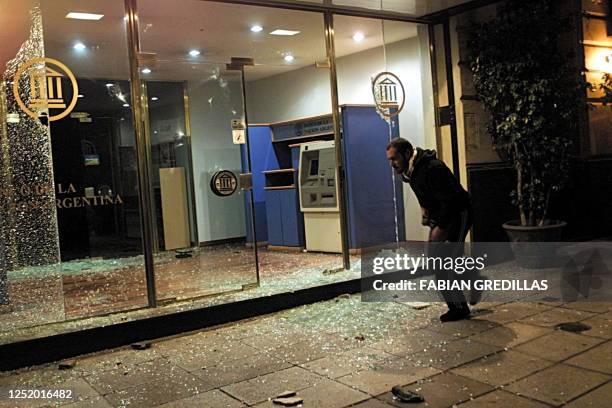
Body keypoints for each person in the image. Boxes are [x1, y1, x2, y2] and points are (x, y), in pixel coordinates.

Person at [386, 138, 475, 322]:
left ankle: (459, 308)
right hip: (443, 215)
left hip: (458, 214)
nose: (392, 164)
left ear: (408, 154)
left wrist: (439, 227)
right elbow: (425, 193)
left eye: (394, 159)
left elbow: (451, 201)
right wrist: (425, 211)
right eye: (389, 160)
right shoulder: (410, 171)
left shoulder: (432, 168)